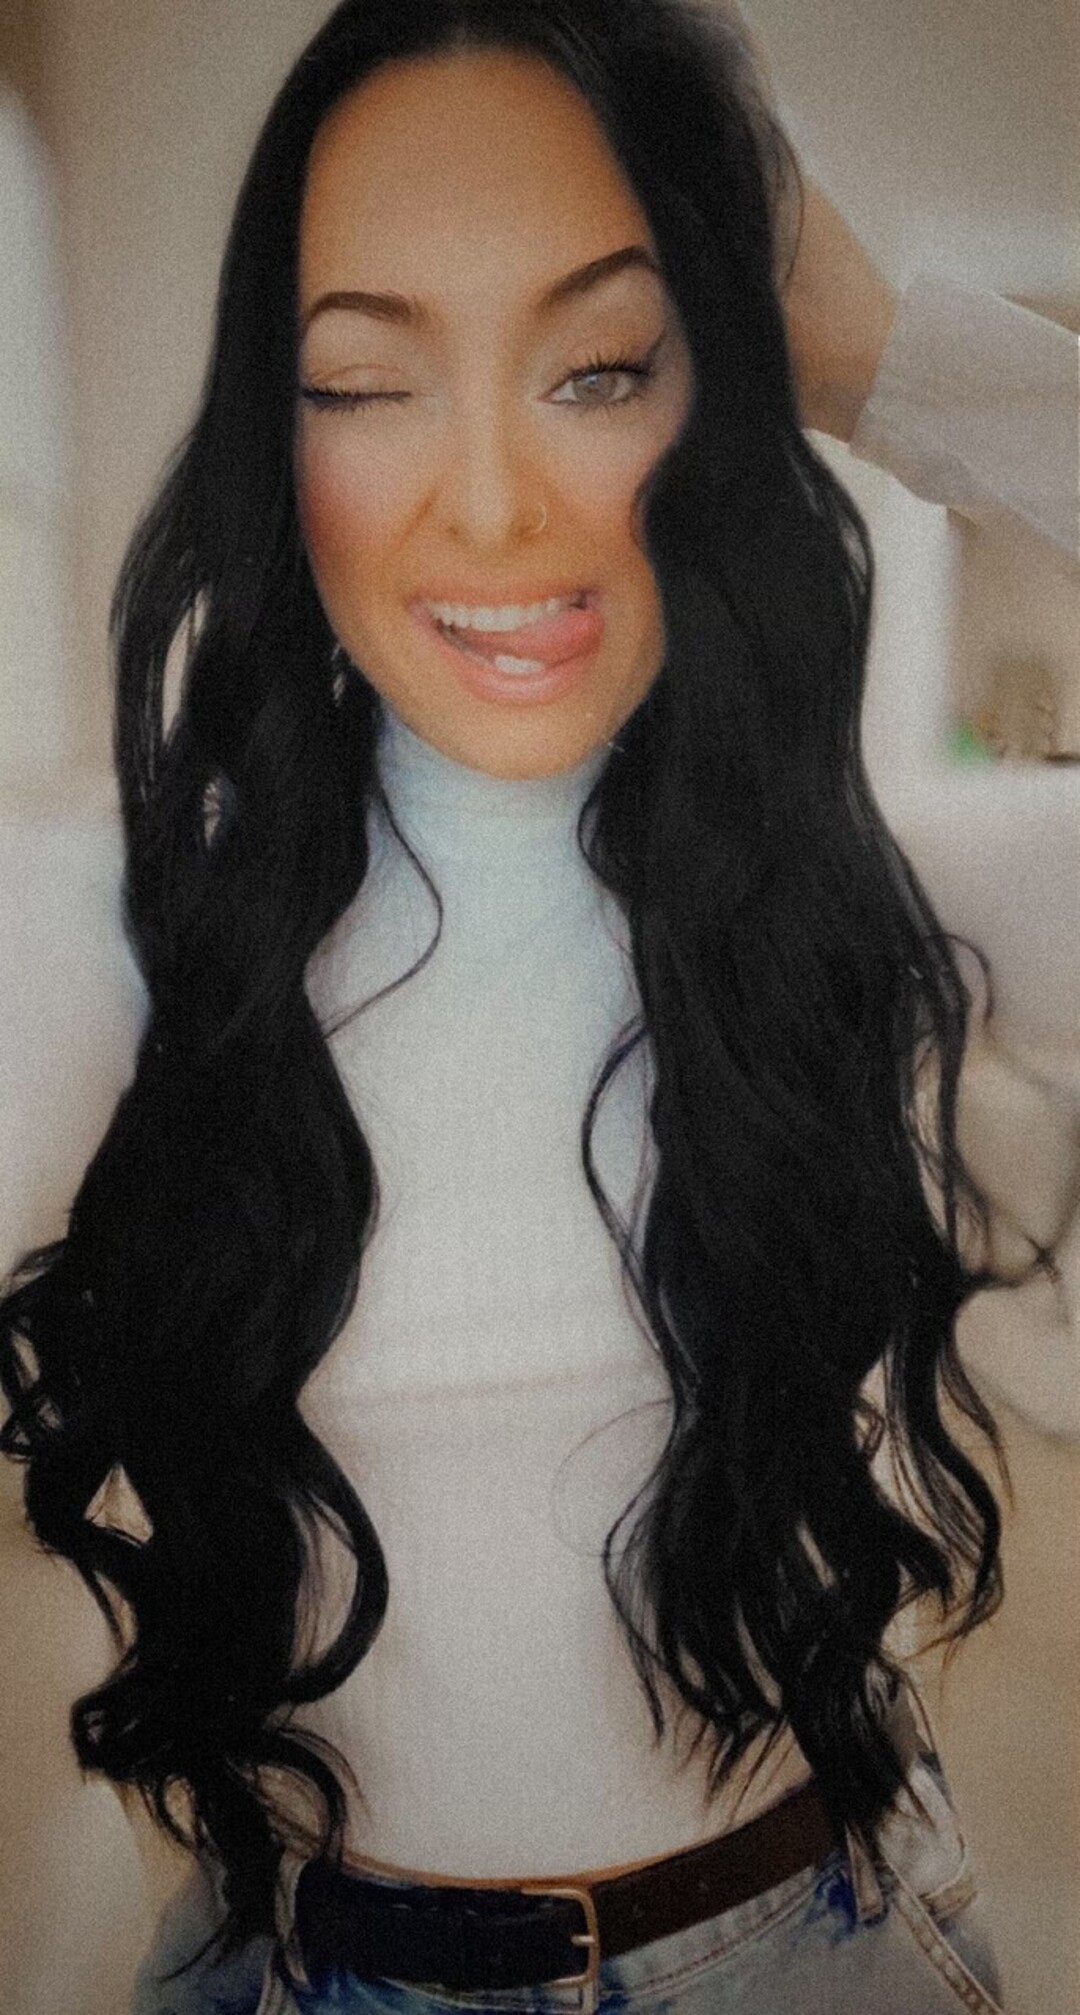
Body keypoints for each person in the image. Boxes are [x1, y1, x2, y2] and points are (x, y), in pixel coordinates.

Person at [0, 2, 1075, 2009]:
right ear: (273, 433)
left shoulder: (876, 881)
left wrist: (878, 353)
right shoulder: (138, 924)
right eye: (364, 383)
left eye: (600, 366)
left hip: (808, 1948)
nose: (492, 507)